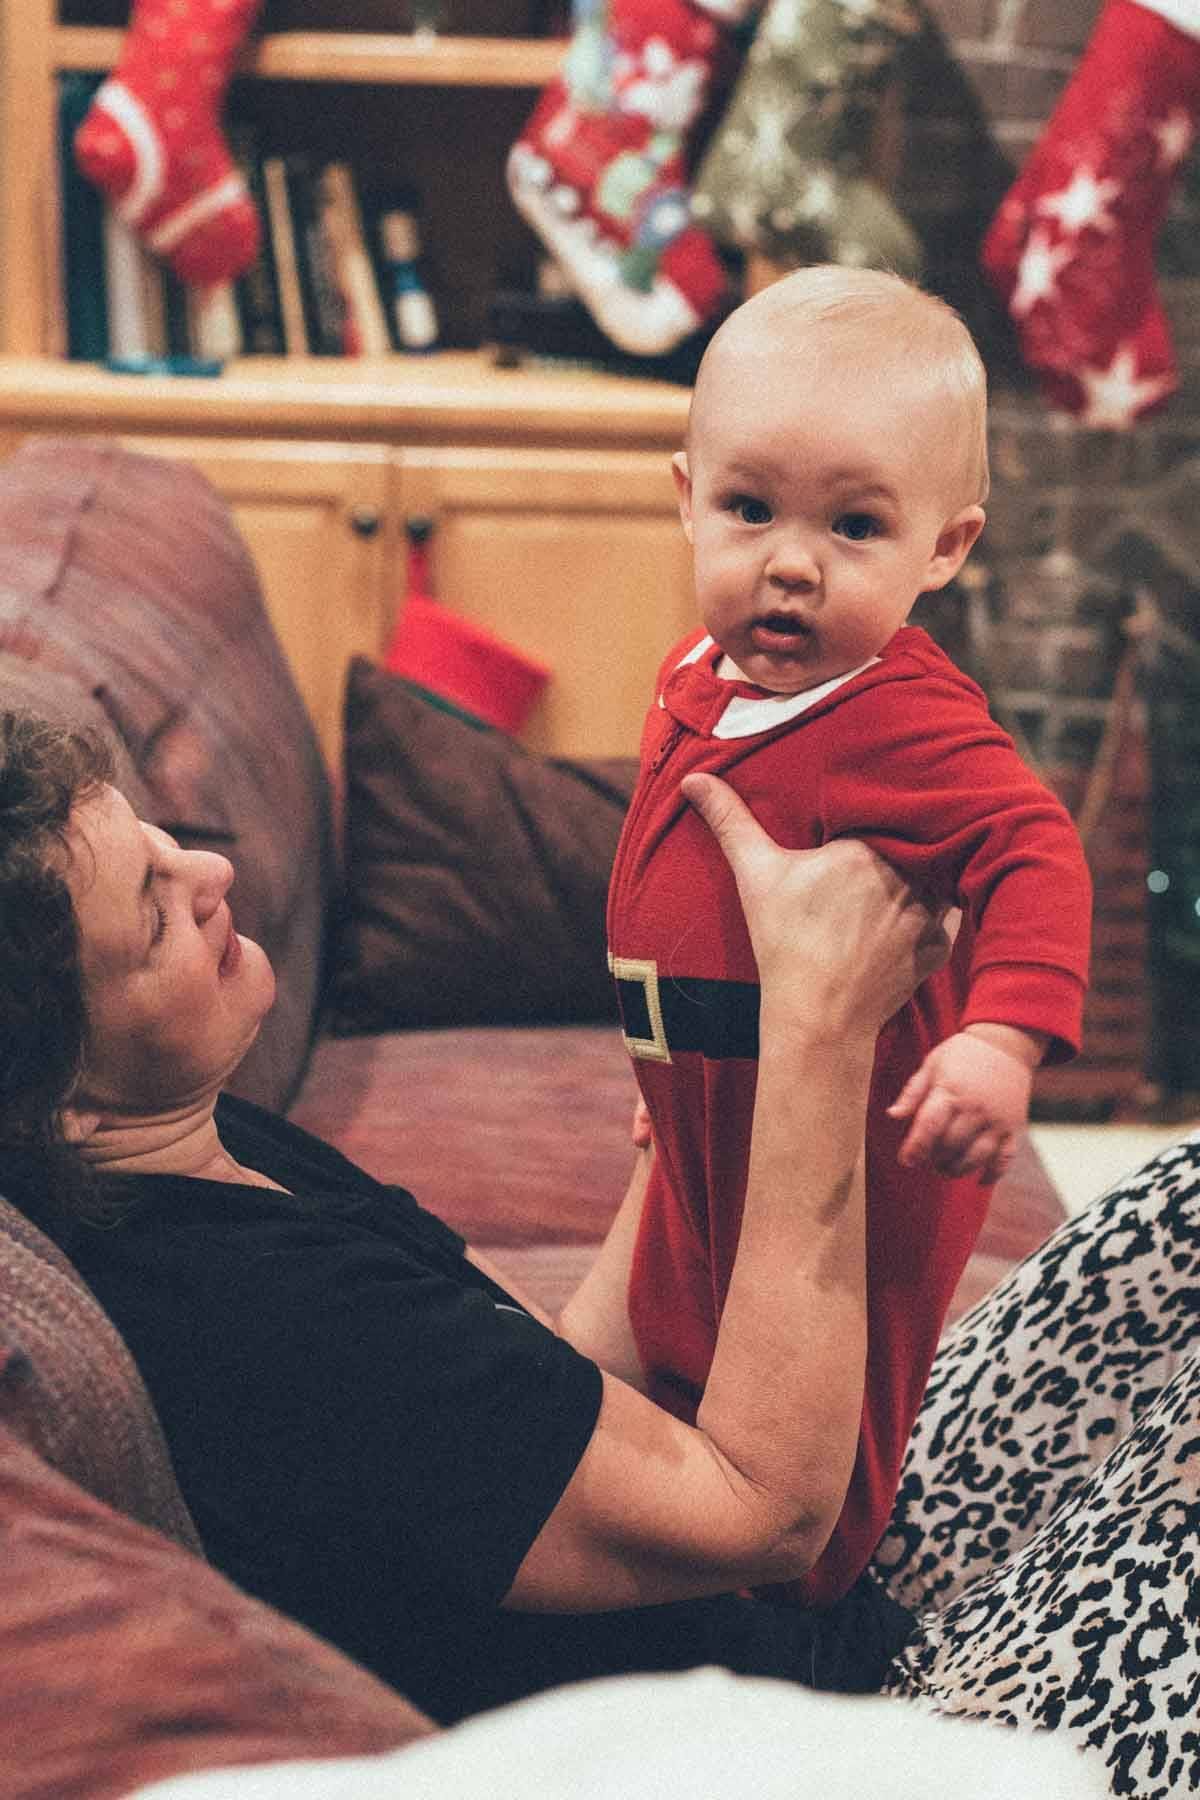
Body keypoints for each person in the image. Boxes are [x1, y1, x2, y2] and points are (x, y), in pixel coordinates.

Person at [2, 711, 1197, 1798]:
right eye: (157, 914)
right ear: (60, 1100)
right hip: (858, 1720)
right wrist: (816, 1030)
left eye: (164, 843)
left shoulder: (206, 1155)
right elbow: (765, 1514)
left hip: (825, 1598)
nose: (211, 874)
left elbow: (536, 1415)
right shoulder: (257, 1324)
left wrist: (677, 1149)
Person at [606, 264, 1094, 1608]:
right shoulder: (692, 676)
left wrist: (1001, 1041)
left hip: (865, 1139)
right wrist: (671, 1079)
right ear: (686, 497)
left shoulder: (904, 723)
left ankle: (819, 1599)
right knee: (680, 1311)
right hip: (715, 1093)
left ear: (945, 547)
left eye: (857, 526)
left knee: (853, 1343)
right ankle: (681, 1478)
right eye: (751, 508)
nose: (791, 563)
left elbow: (1035, 849)